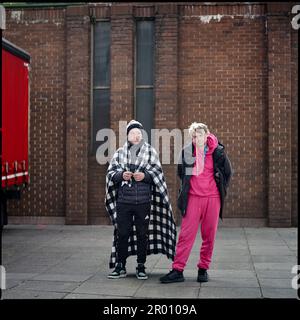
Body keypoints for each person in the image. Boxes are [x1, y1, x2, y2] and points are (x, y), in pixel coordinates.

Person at [160, 122, 232, 283]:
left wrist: (219, 187)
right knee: (186, 235)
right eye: (194, 135)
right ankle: (178, 270)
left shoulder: (218, 152)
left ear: (207, 135)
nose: (197, 138)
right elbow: (181, 172)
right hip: (193, 197)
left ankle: (203, 269)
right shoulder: (187, 151)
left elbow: (228, 172)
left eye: (199, 134)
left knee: (209, 236)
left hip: (213, 199)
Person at [105, 120, 177, 280]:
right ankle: (120, 266)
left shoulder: (150, 152)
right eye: (133, 133)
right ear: (128, 136)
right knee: (122, 234)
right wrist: (120, 175)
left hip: (143, 202)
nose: (136, 136)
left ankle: (141, 266)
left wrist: (145, 176)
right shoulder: (119, 153)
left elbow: (158, 173)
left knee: (142, 234)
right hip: (124, 202)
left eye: (138, 133)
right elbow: (110, 173)